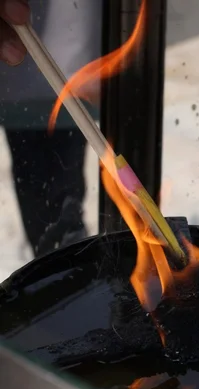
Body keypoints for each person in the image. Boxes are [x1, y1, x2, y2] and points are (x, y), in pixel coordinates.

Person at [0, 0, 101, 257]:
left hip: (68, 75)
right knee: (42, 199)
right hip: (22, 86)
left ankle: (65, 262)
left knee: (58, 198)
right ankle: (61, 268)